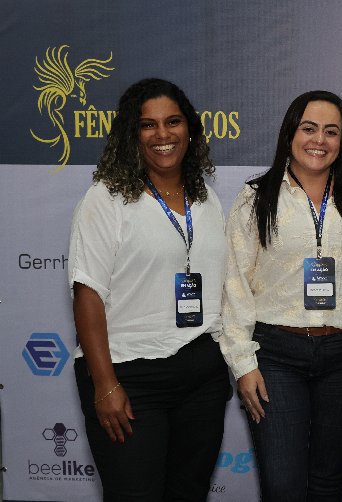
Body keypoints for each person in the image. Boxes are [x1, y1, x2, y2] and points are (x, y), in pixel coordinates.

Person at [68, 78, 230, 500]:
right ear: (131, 134)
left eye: (173, 121)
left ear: (189, 129)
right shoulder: (105, 199)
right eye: (148, 125)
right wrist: (105, 384)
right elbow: (87, 295)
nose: (162, 134)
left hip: (201, 375)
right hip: (129, 375)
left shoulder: (206, 198)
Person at [218, 90, 342, 501]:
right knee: (283, 485)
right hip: (276, 356)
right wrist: (242, 364)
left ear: (341, 140)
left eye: (331, 131)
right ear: (290, 133)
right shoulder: (256, 197)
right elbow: (234, 284)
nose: (319, 140)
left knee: (326, 483)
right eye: (309, 128)